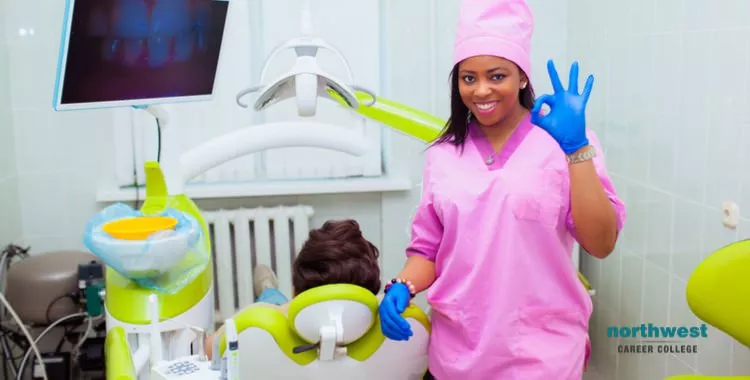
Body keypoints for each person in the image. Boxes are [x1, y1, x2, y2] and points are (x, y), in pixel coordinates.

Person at [377, 0, 627, 379]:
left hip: (542, 354)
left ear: (523, 77)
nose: (481, 91)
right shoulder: (444, 154)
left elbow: (602, 243)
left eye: (497, 76)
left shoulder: (565, 142)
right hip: (458, 351)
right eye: (468, 77)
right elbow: (429, 248)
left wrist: (576, 149)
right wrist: (402, 286)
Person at [205, 219, 381, 359]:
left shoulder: (254, 323)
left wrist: (281, 310)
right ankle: (268, 289)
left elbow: (208, 350)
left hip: (283, 311)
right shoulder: (391, 328)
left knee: (270, 304)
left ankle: (268, 290)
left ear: (295, 290)